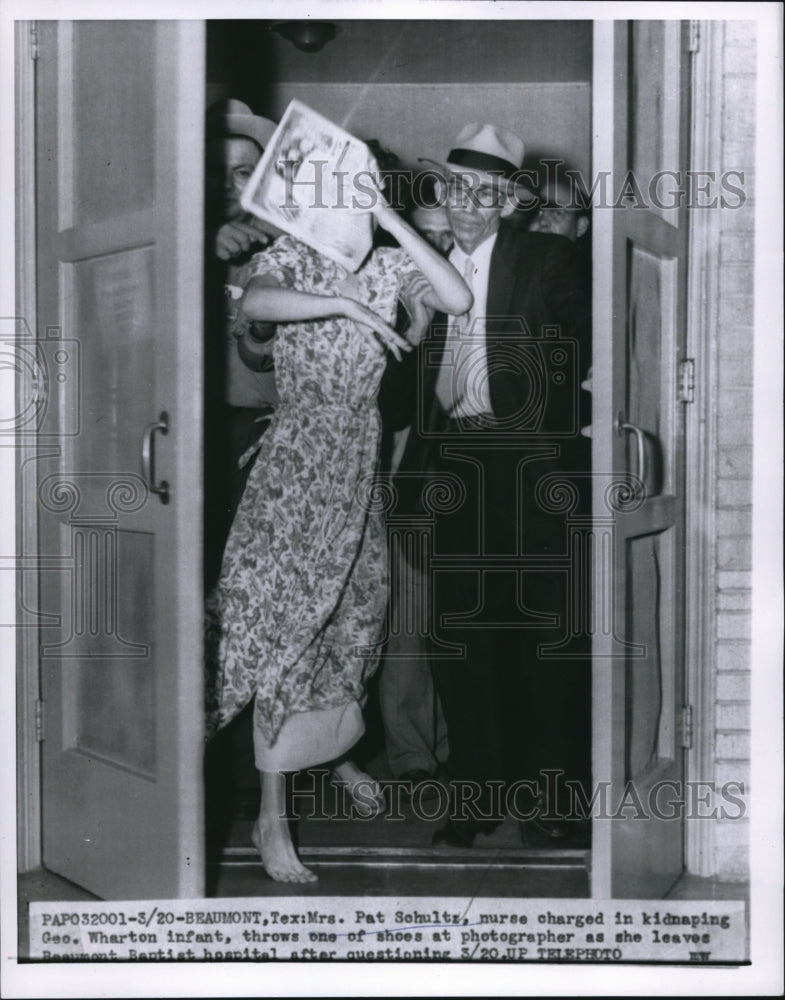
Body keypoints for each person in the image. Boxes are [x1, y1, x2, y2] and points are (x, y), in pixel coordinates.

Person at [205, 155, 472, 883]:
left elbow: (452, 297)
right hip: (297, 460)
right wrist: (345, 307)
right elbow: (254, 303)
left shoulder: (388, 265)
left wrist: (388, 224)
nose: (342, 206)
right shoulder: (290, 257)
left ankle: (336, 752)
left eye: (358, 195)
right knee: (288, 629)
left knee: (351, 625)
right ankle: (271, 816)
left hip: (359, 462)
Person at [388, 123, 591, 848]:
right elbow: (394, 400)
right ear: (441, 193)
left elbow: (587, 347)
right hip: (453, 473)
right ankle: (475, 800)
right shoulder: (415, 268)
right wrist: (408, 331)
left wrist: (551, 424)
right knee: (461, 644)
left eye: (486, 192)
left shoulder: (548, 256)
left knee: (543, 641)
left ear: (508, 202)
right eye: (455, 187)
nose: (467, 203)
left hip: (533, 467)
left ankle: (553, 802)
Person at [203, 99, 280, 586]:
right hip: (185, 435)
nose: (228, 187)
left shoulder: (287, 248)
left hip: (260, 439)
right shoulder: (170, 241)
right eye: (216, 171)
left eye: (243, 172)